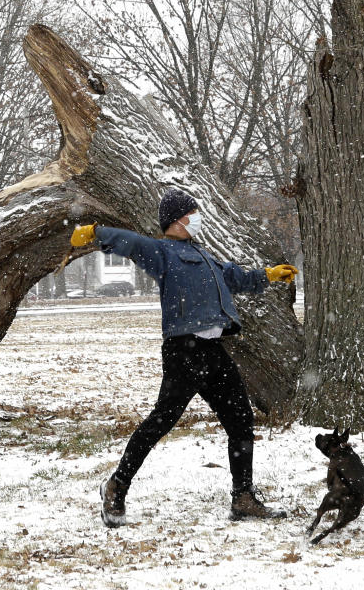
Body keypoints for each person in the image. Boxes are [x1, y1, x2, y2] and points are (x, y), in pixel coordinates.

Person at [68, 188, 298, 528]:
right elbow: (130, 242)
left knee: (240, 419)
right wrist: (96, 234)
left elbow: (235, 278)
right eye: (193, 213)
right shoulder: (163, 252)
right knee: (161, 420)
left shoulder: (204, 255)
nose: (198, 219)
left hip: (213, 350)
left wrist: (268, 275)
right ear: (178, 220)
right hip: (184, 352)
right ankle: (117, 486)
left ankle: (244, 498)